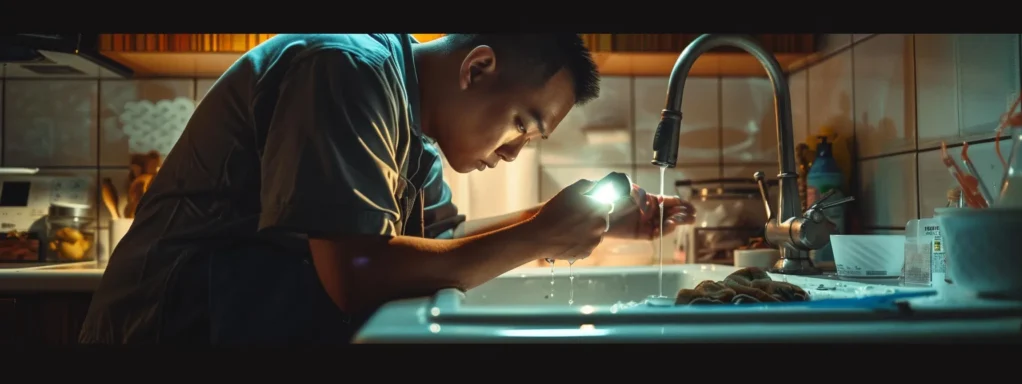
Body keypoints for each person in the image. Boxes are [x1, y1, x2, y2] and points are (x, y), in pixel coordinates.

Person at [78, 34, 695, 345]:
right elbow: (357, 271)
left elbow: (443, 244)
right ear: (477, 68)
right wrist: (541, 234)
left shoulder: (411, 125)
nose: (514, 148)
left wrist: (583, 218)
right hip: (171, 333)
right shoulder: (347, 69)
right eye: (522, 125)